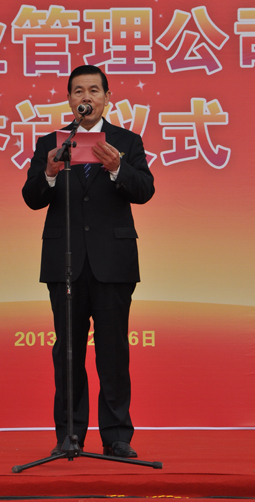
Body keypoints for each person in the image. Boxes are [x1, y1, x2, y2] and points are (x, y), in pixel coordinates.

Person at [22, 65, 155, 458]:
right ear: (69, 100)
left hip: (113, 262)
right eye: (78, 91)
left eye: (94, 90)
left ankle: (116, 436)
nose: (86, 97)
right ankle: (69, 435)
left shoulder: (126, 142)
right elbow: (31, 198)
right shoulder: (51, 143)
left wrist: (117, 168)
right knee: (68, 352)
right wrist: (49, 173)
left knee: (113, 352)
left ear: (107, 98)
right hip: (65, 263)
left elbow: (145, 190)